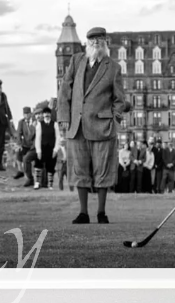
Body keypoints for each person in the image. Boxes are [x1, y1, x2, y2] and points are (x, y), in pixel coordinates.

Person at [57, 26, 126, 224]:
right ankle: (83, 213)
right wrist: (64, 117)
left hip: (103, 127)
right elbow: (64, 90)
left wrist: (114, 119)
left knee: (103, 170)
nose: (96, 43)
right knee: (79, 170)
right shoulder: (76, 61)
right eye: (92, 40)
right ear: (87, 43)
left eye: (100, 40)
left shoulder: (113, 67)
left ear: (105, 43)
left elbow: (119, 99)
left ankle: (101, 212)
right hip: (76, 126)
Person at [33, 106, 60, 189]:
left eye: (48, 113)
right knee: (38, 165)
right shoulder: (39, 124)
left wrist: (56, 149)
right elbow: (37, 138)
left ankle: (50, 184)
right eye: (45, 113)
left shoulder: (55, 124)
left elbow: (58, 137)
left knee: (51, 166)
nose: (46, 115)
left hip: (51, 149)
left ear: (50, 114)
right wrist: (38, 150)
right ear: (43, 115)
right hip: (42, 148)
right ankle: (37, 183)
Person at [16, 106, 37, 186]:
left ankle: (29, 178)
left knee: (26, 159)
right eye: (24, 114)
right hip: (25, 145)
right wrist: (19, 144)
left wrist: (34, 126)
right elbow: (19, 134)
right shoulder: (21, 122)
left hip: (33, 146)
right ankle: (20, 171)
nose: (26, 116)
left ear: (31, 114)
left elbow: (35, 135)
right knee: (18, 152)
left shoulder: (35, 122)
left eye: (28, 114)